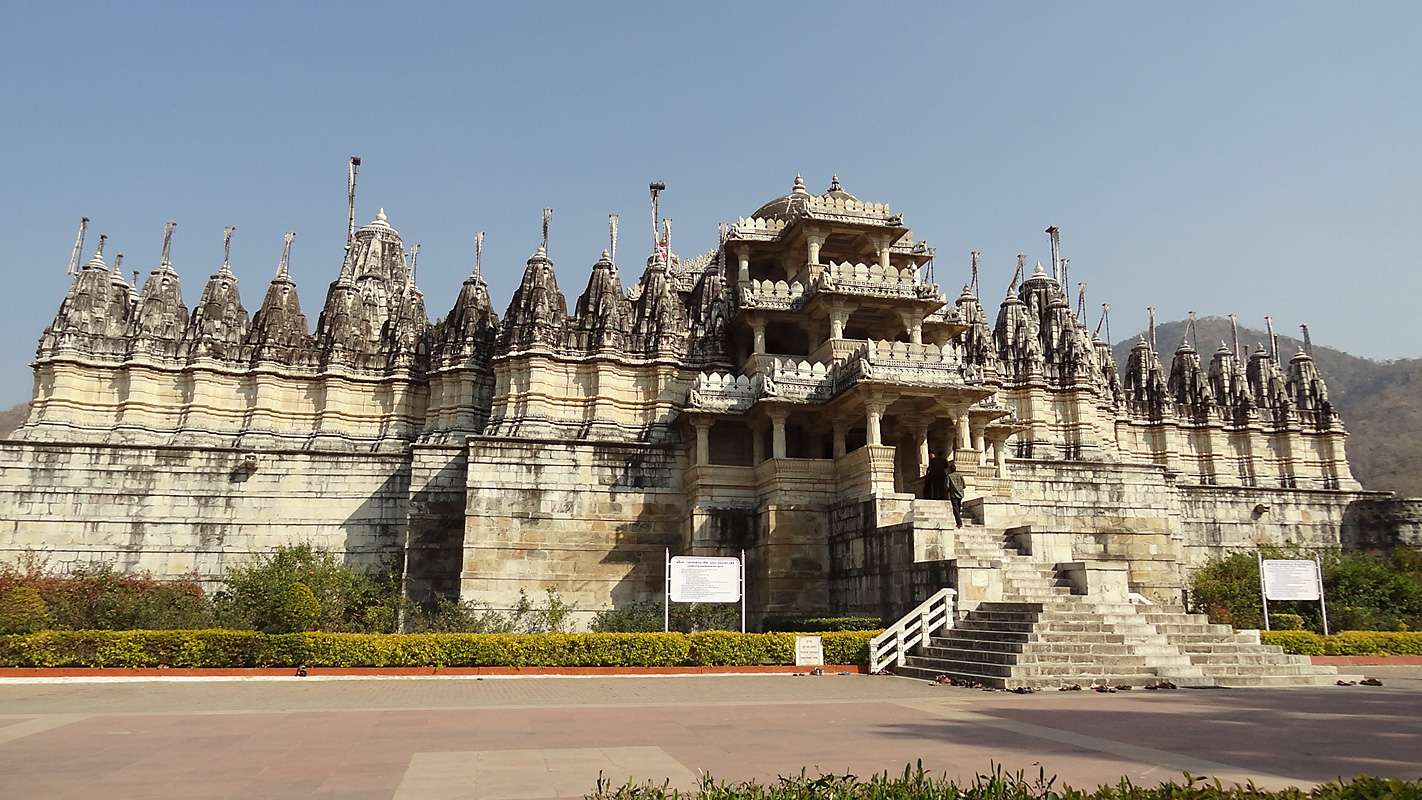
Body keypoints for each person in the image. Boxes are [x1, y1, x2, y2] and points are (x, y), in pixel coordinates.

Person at [945, 461, 966, 528]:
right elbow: (964, 485)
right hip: (960, 493)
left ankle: (959, 522)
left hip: (953, 494)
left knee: (955, 508)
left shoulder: (949, 476)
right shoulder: (960, 475)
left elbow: (947, 486)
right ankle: (959, 519)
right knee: (958, 507)